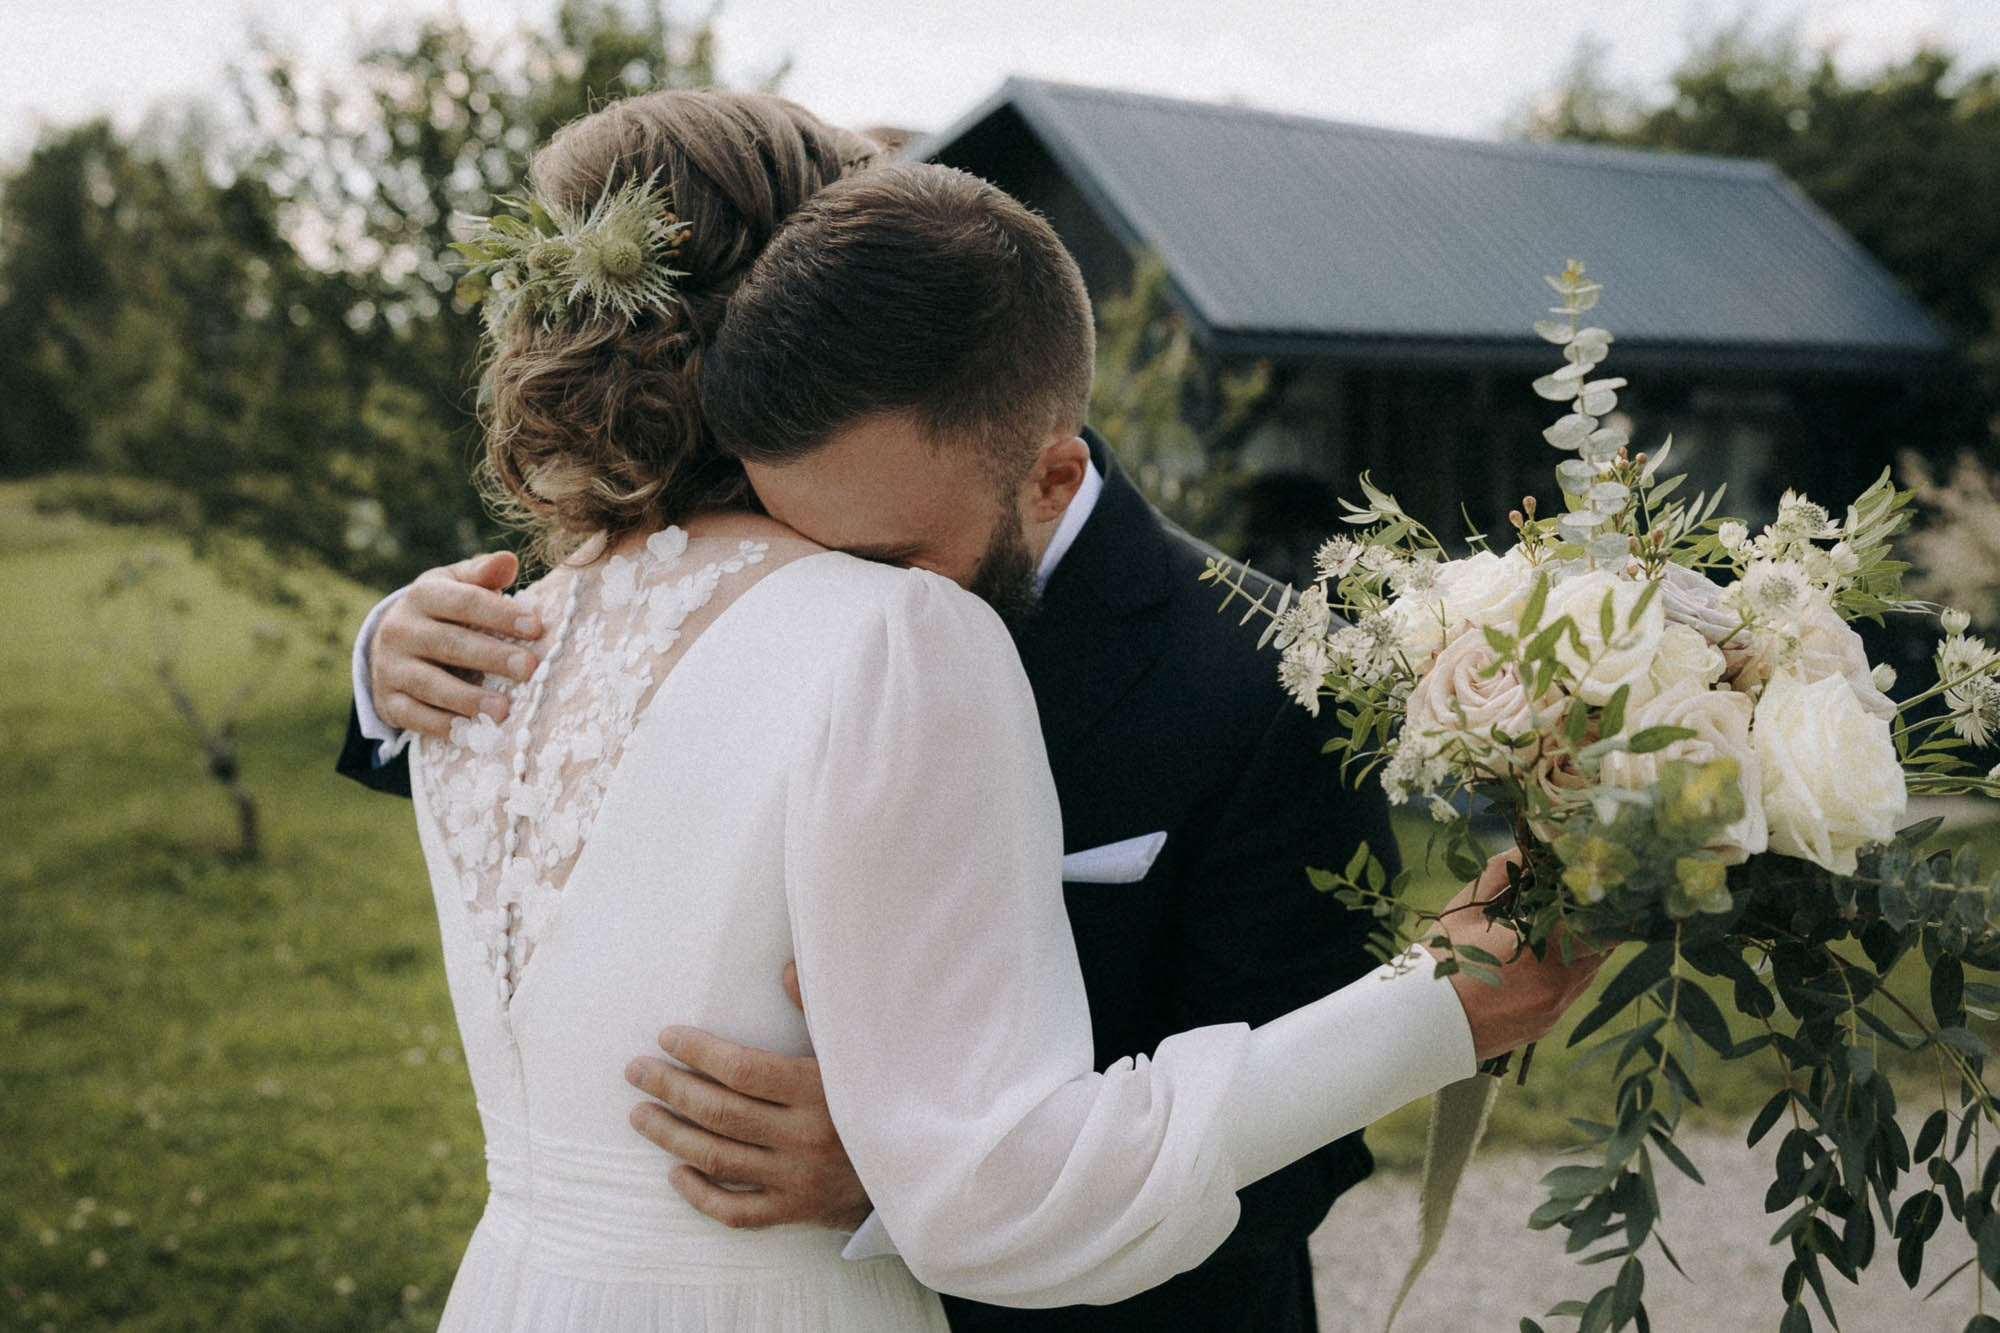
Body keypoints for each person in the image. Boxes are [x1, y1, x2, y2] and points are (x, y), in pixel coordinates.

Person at [345, 92, 1601, 1331]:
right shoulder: (466, 646)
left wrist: (895, 1168)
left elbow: (1291, 1170)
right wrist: (376, 673)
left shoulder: (1260, 674)